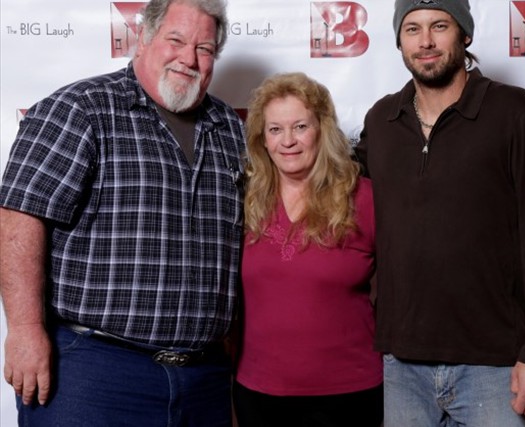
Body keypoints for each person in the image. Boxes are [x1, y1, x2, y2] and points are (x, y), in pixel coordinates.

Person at [0, 0, 245, 425]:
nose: (189, 58)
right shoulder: (81, 108)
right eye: (176, 40)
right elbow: (20, 217)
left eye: (204, 48)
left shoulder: (231, 129)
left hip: (204, 378)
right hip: (93, 370)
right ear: (144, 36)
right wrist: (24, 330)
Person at [355, 0, 525, 426]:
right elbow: (331, 191)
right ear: (398, 41)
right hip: (402, 365)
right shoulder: (381, 120)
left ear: (465, 34)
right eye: (412, 29)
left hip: (495, 365)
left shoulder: (514, 111)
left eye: (439, 26)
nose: (426, 41)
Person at [232, 72, 383, 427]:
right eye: (275, 129)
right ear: (262, 139)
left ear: (321, 130)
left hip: (350, 394)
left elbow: (405, 286)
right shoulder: (244, 201)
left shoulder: (364, 198)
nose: (288, 141)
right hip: (259, 393)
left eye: (300, 126)